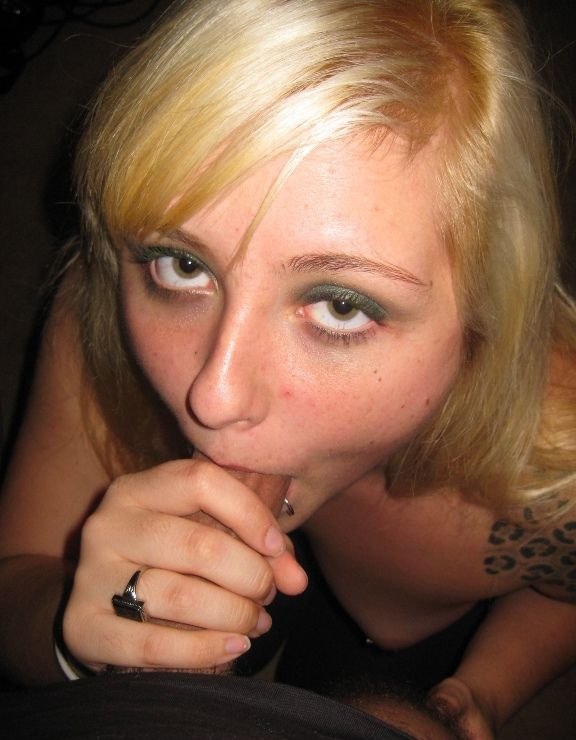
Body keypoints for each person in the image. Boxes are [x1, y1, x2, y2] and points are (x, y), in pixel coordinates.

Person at [0, 0, 575, 738]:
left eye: (340, 305)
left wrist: (481, 689)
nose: (213, 396)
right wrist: (75, 632)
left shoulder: (559, 461)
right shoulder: (105, 306)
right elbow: (19, 569)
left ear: (484, 316)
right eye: (183, 264)